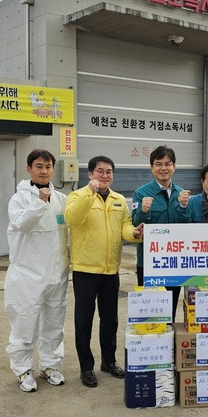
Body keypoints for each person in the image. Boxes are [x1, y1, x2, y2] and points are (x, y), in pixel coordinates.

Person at [66, 155, 144, 388]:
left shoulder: (119, 199)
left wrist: (135, 234)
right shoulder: (77, 196)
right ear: (90, 174)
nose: (105, 175)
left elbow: (125, 228)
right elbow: (73, 218)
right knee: (84, 321)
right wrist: (89, 193)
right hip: (85, 270)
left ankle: (108, 362)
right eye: (100, 171)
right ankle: (86, 367)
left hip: (111, 270)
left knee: (110, 320)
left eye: (109, 171)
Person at [4, 149, 69, 393]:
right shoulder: (19, 199)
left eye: (48, 166)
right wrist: (40, 202)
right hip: (28, 275)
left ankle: (51, 365)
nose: (44, 171)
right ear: (29, 169)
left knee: (55, 323)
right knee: (25, 321)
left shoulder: (61, 198)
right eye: (39, 166)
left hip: (57, 273)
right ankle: (22, 368)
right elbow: (22, 223)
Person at [131, 145, 190, 321]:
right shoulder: (141, 193)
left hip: (174, 262)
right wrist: (143, 211)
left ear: (174, 167)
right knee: (151, 312)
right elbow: (135, 225)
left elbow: (187, 226)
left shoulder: (182, 194)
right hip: (150, 262)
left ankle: (169, 344)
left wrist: (184, 206)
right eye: (158, 164)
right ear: (151, 167)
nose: (163, 168)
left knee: (170, 309)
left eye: (168, 163)